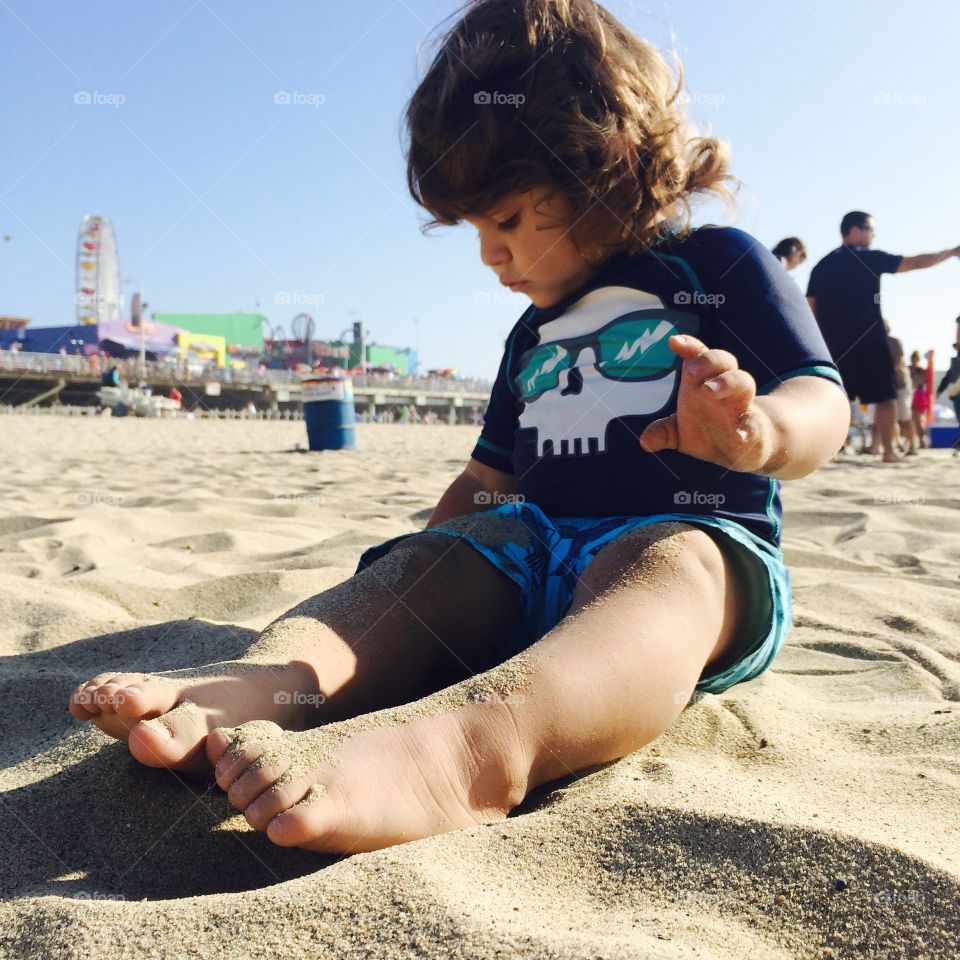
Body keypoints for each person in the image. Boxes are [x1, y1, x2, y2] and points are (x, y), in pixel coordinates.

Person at [67, 0, 850, 856]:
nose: (490, 254)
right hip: (534, 543)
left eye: (508, 219)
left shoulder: (718, 265)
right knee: (427, 563)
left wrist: (758, 434)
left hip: (697, 539)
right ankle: (272, 684)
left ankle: (467, 752)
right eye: (476, 229)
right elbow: (488, 483)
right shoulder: (533, 331)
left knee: (669, 568)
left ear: (606, 163)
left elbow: (823, 398)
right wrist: (422, 580)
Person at [806, 211, 959, 463]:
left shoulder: (822, 265)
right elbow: (914, 262)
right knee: (884, 398)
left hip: (832, 344)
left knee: (835, 397)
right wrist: (951, 252)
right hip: (869, 340)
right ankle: (888, 451)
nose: (873, 235)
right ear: (857, 230)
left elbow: (811, 305)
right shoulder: (868, 258)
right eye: (872, 230)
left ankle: (828, 453)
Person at [908, 350, 928, 450]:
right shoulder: (911, 369)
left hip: (917, 395)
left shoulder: (920, 370)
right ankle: (918, 441)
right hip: (914, 394)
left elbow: (924, 381)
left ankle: (921, 441)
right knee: (913, 420)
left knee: (916, 420)